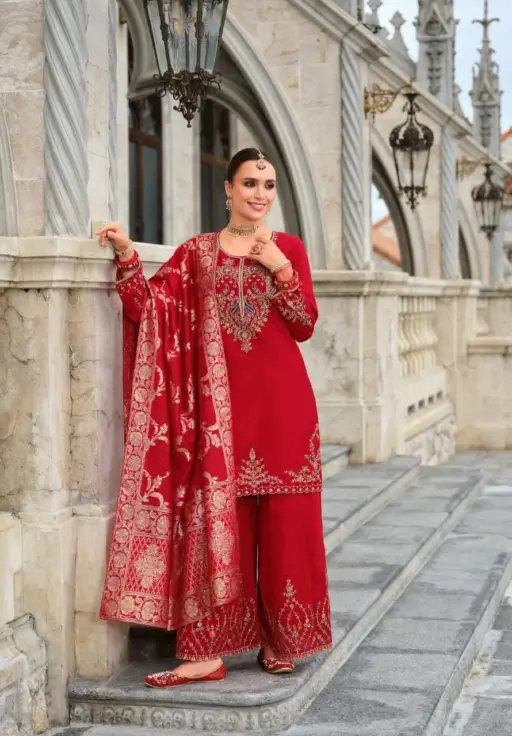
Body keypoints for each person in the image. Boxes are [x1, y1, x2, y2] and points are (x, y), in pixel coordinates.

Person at [98, 148, 332, 689]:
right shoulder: (197, 253)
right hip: (217, 418)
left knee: (286, 529)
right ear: (227, 189)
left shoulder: (289, 247)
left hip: (284, 409)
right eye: (249, 183)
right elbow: (151, 311)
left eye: (268, 185)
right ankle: (208, 652)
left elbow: (303, 326)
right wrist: (128, 255)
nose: (260, 194)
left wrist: (280, 268)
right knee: (218, 528)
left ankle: (283, 641)